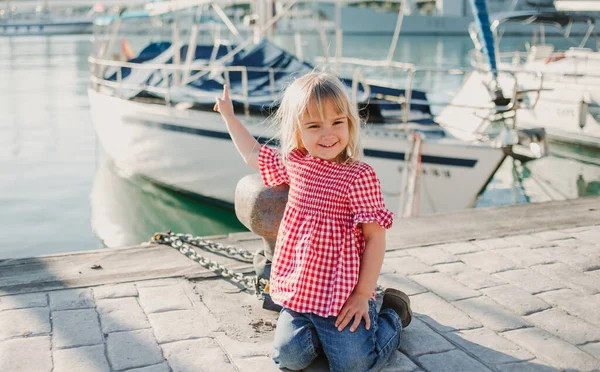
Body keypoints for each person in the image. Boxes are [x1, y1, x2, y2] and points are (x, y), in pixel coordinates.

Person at [214, 72, 412, 372]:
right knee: (287, 359)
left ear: (349, 124)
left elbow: (375, 237)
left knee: (353, 366)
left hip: (344, 294)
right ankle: (320, 334)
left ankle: (392, 313)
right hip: (302, 290)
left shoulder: (359, 176)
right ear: (297, 131)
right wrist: (229, 116)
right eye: (314, 125)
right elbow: (252, 153)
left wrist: (361, 295)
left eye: (337, 122)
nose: (327, 134)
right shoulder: (295, 163)